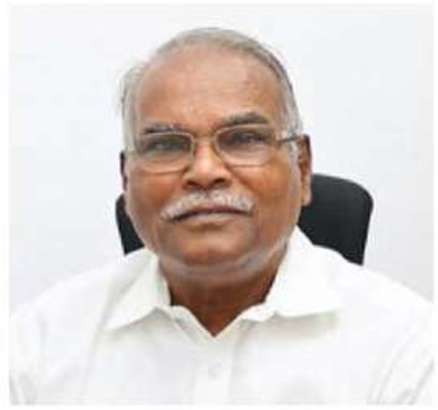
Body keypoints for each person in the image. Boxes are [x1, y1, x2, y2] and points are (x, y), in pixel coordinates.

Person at [10, 27, 433, 405]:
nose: (205, 171)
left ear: (302, 169)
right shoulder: (38, 344)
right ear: (126, 179)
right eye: (167, 145)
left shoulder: (407, 347)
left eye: (243, 138)